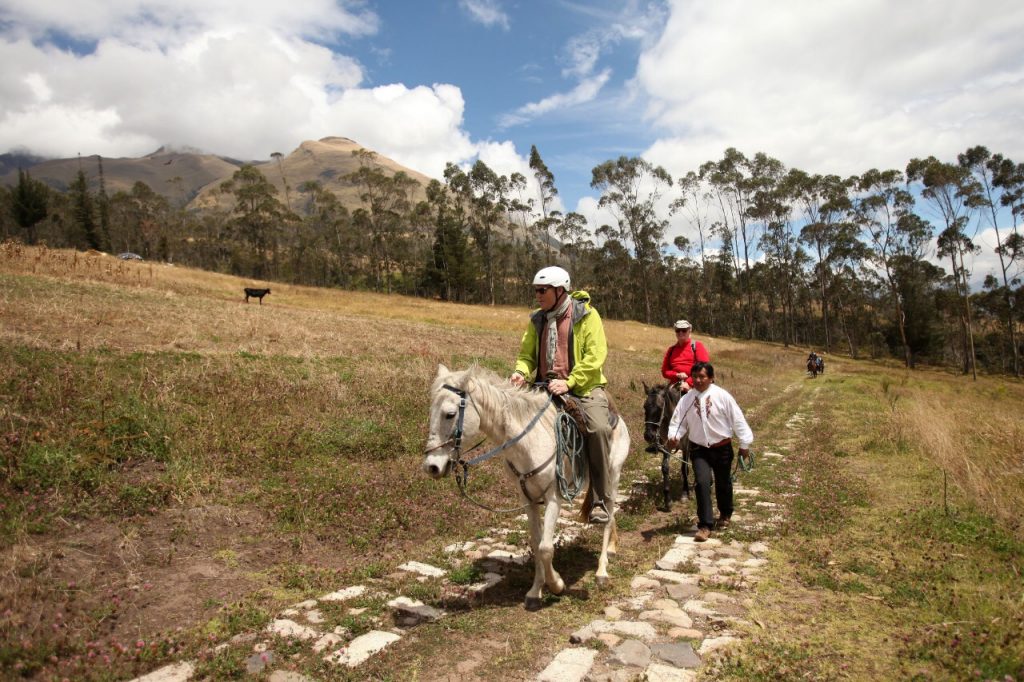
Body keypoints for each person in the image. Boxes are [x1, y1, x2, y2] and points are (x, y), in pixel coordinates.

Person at [510, 266, 613, 524]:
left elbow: (595, 356)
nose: (538, 295)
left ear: (559, 290)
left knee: (599, 429)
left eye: (542, 290)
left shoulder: (586, 315)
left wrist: (570, 382)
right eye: (536, 290)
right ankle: (533, 484)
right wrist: (521, 372)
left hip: (582, 387)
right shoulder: (537, 319)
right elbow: (526, 355)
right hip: (544, 386)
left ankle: (600, 499)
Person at [666, 361, 753, 542]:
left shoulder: (723, 396)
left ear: (711, 378)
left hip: (722, 448)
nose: (698, 380)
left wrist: (744, 443)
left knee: (723, 483)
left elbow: (738, 419)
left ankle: (725, 512)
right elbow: (678, 422)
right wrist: (673, 437)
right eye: (695, 377)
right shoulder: (687, 399)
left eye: (702, 377)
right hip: (699, 449)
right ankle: (705, 525)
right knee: (702, 483)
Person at [661, 320, 710, 392]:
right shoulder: (671, 350)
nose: (680, 332)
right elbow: (664, 371)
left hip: (696, 384)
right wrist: (676, 375)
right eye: (678, 330)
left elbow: (704, 369)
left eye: (684, 330)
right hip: (675, 386)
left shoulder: (697, 346)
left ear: (689, 331)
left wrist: (688, 382)